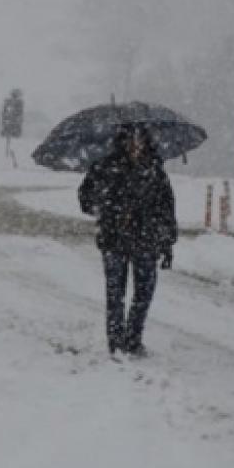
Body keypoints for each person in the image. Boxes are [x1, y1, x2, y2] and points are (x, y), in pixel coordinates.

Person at [78, 123, 177, 357]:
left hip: (146, 240)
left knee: (144, 293)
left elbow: (166, 208)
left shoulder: (155, 170)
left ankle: (133, 338)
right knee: (115, 295)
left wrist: (167, 242)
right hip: (114, 239)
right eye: (130, 140)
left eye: (139, 140)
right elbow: (85, 198)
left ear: (146, 143)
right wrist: (106, 207)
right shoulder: (104, 167)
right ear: (121, 142)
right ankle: (115, 343)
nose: (135, 146)